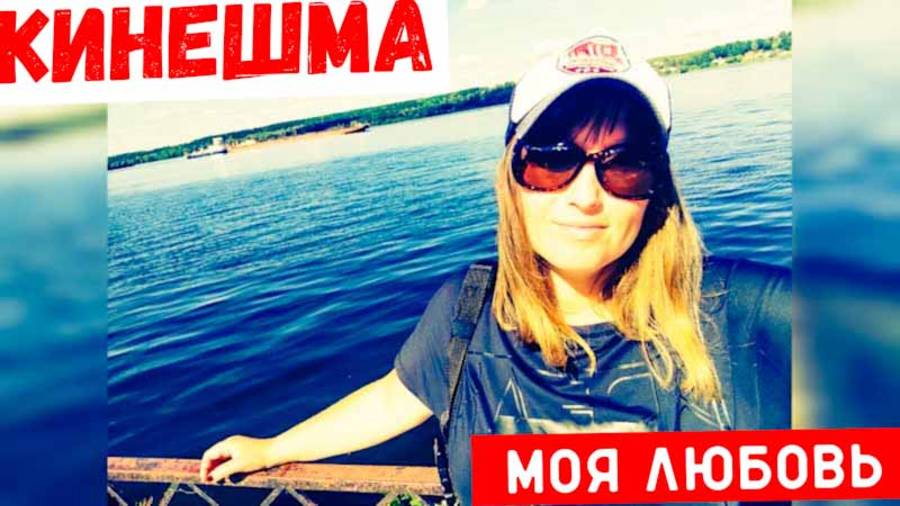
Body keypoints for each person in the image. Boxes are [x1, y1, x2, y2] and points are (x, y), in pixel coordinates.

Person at [199, 31, 791, 505]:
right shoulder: (469, 311)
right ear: (512, 180)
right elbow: (397, 397)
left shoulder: (743, 311)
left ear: (656, 189)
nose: (586, 196)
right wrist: (272, 448)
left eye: (624, 164)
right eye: (552, 161)